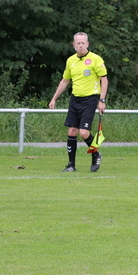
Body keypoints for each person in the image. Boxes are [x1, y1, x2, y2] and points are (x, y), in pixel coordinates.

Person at [48, 32, 108, 172]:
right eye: (78, 43)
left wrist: (102, 100)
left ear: (87, 44)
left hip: (90, 99)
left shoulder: (95, 59)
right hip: (75, 99)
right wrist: (54, 98)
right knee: (72, 131)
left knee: (84, 132)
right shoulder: (71, 61)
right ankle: (71, 165)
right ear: (73, 45)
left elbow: (104, 80)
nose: (80, 45)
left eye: (83, 43)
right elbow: (65, 80)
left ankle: (96, 153)